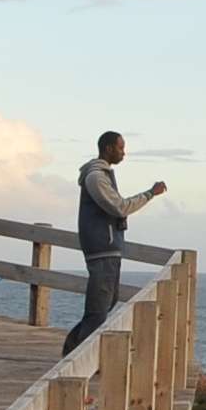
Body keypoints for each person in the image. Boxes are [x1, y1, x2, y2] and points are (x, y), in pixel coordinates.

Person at [63, 129, 165, 351]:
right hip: (102, 249)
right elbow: (119, 207)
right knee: (98, 310)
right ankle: (78, 355)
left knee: (107, 302)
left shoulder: (104, 174)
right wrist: (150, 194)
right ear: (108, 148)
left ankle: (72, 350)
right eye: (120, 148)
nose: (123, 153)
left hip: (109, 249)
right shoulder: (96, 177)